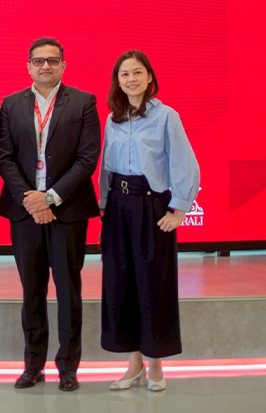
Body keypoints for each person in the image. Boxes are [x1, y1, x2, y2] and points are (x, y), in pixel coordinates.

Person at [0, 37, 101, 392]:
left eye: (52, 60)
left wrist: (50, 199)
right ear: (28, 66)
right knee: (32, 291)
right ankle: (33, 365)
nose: (45, 66)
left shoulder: (84, 102)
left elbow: (87, 158)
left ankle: (68, 367)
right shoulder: (11, 105)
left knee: (69, 291)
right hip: (25, 212)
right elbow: (4, 157)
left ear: (63, 65)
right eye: (38, 61)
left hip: (67, 211)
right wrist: (31, 199)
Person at [99, 50, 199, 392]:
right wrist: (104, 207)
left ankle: (155, 364)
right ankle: (133, 365)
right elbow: (106, 167)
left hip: (151, 205)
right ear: (118, 81)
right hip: (117, 205)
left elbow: (184, 161)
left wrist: (179, 209)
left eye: (137, 72)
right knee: (121, 284)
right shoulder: (113, 119)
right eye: (124, 74)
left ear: (149, 77)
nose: (131, 79)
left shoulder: (166, 116)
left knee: (153, 284)